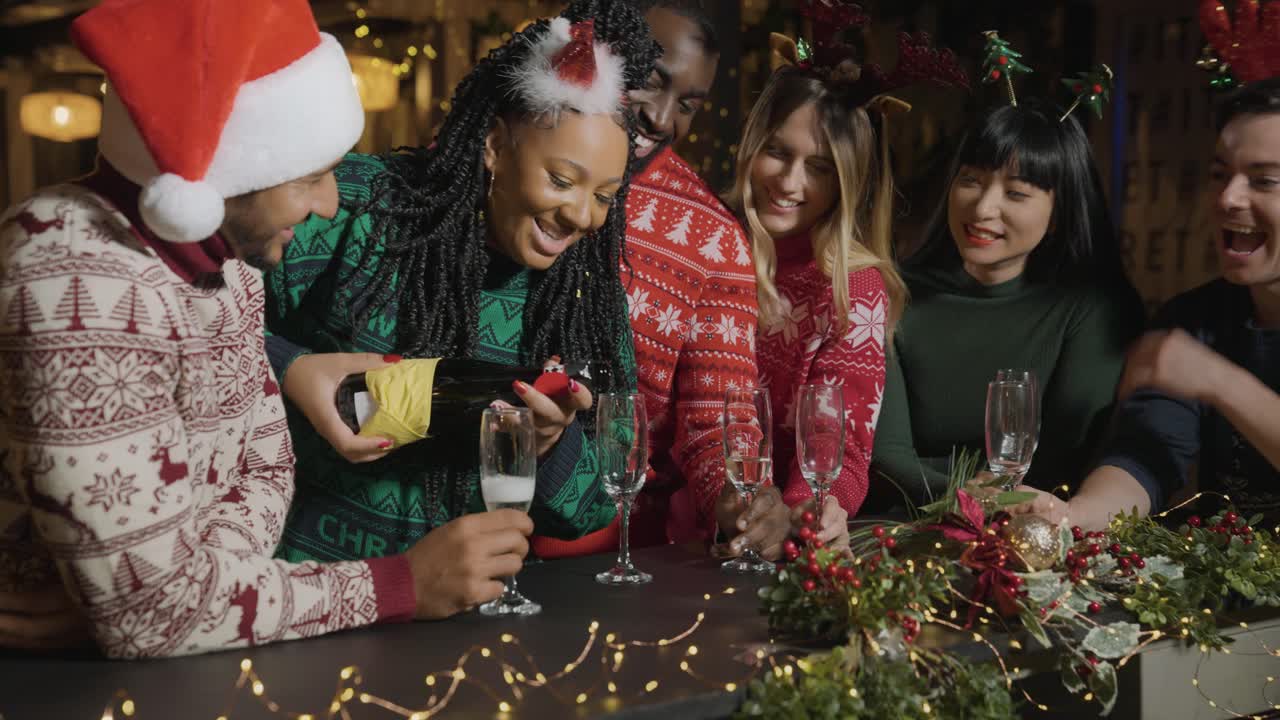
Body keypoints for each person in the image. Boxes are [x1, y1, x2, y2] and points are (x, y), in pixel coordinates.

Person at [0, 0, 454, 657]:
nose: (328, 205)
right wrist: (401, 585)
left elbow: (270, 467)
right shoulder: (74, 278)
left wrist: (175, 603)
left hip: (154, 667)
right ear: (220, 174)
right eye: (309, 178)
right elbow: (152, 618)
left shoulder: (231, 263)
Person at [262, 1, 659, 564]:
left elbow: (600, 508)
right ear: (494, 145)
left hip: (460, 613)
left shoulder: (585, 302)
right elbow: (196, 317)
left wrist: (550, 446)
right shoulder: (360, 207)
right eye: (561, 179)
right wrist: (292, 368)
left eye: (603, 197)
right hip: (298, 590)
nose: (581, 216)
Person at [1016, 78, 1280, 530]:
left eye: (1265, 181)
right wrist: (1072, 517)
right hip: (1224, 583)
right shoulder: (1196, 320)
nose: (1227, 198)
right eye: (1219, 174)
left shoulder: (1198, 357)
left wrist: (1221, 381)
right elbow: (1145, 458)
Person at [868, 97, 1145, 510]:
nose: (982, 208)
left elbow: (1062, 461)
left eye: (1016, 192)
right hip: (900, 531)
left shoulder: (1092, 308)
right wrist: (970, 497)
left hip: (1040, 533)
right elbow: (887, 459)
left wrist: (969, 490)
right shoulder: (890, 293)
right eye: (970, 180)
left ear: (1058, 213)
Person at [724, 41, 907, 543]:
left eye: (819, 168)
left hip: (779, 531)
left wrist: (810, 512)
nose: (789, 181)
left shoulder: (853, 287)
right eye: (778, 152)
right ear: (752, 146)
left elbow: (838, 442)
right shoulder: (713, 244)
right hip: (684, 514)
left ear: (848, 182)